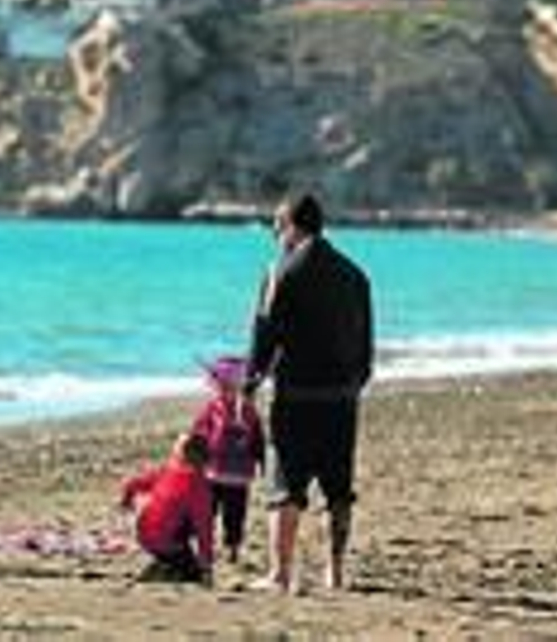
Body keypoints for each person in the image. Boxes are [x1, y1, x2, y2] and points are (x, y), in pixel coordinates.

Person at [245, 193, 373, 592]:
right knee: (339, 488)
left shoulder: (279, 272)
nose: (275, 237)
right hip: (342, 397)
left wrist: (249, 383)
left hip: (296, 395)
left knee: (286, 487)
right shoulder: (355, 274)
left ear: (289, 225)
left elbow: (264, 334)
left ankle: (281, 574)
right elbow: (366, 344)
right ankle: (336, 572)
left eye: (276, 228)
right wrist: (353, 384)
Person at [190, 355, 265, 565]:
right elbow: (199, 432)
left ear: (239, 386)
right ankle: (205, 546)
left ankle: (232, 548)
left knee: (235, 515)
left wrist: (261, 461)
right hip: (212, 471)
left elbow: (258, 437)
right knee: (207, 512)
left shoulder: (248, 410)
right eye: (220, 385)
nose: (225, 390)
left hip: (239, 475)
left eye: (229, 386)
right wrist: (193, 459)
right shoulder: (212, 408)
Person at [118, 433, 215, 585]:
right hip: (166, 541)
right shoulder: (200, 486)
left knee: (178, 530)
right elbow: (204, 529)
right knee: (192, 574)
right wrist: (207, 565)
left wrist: (126, 501)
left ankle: (164, 565)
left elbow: (132, 483)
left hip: (143, 534)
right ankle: (163, 571)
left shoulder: (168, 470)